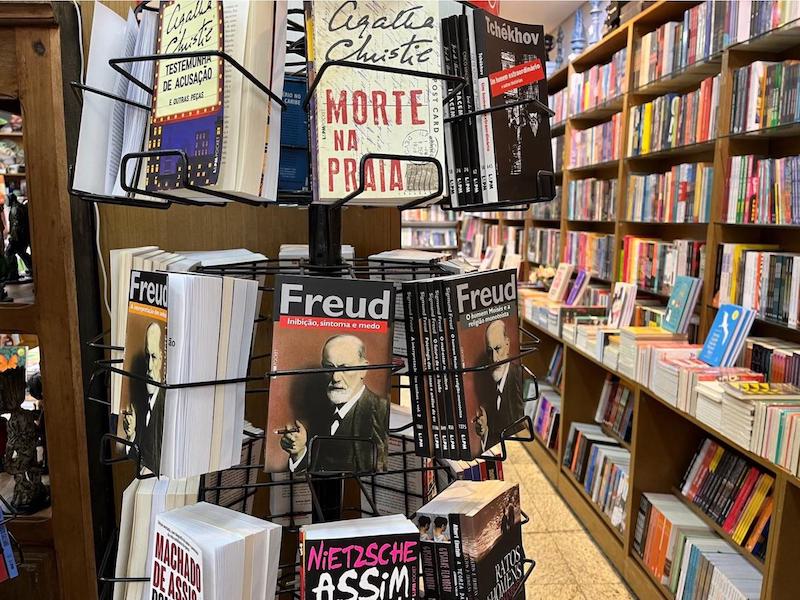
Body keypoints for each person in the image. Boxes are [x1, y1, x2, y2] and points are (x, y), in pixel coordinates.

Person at [280, 334, 389, 473]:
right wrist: (299, 452)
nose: (336, 377)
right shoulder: (322, 415)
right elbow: (314, 469)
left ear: (363, 369)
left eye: (345, 368)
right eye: (329, 368)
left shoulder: (382, 412)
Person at [122, 321, 165, 470]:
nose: (149, 367)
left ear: (161, 357)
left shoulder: (168, 405)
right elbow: (138, 456)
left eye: (154, 357)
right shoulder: (138, 406)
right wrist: (131, 435)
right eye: (147, 356)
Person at [474, 319, 523, 450]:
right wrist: (485, 432)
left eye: (498, 349)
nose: (494, 359)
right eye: (489, 351)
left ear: (507, 345)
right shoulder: (486, 385)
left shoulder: (519, 377)